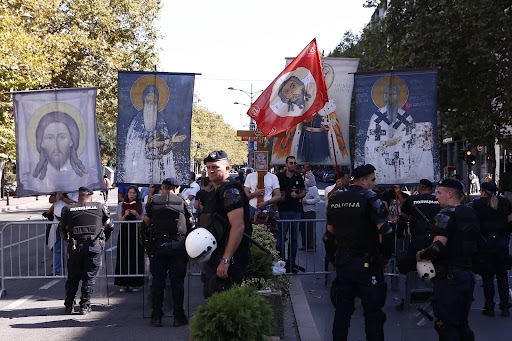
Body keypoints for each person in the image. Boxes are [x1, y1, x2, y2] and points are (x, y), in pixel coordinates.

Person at [324, 164, 392, 340]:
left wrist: (333, 258)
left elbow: (328, 236)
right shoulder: (371, 199)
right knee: (373, 315)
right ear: (362, 181)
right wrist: (386, 257)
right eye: (373, 179)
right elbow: (385, 231)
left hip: (344, 263)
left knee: (342, 312)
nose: (375, 183)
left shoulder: (336, 199)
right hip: (367, 264)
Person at [416, 179, 480, 340]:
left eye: (440, 193)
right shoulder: (470, 213)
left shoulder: (446, 214)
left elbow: (437, 247)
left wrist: (421, 255)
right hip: (466, 276)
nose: (436, 197)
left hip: (449, 279)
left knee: (447, 326)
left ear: (450, 194)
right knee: (462, 324)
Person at [198, 150, 252, 298]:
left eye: (215, 167)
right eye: (209, 167)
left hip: (228, 258)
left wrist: (226, 260)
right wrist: (206, 261)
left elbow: (238, 226)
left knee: (222, 302)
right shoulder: (217, 191)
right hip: (215, 257)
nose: (211, 170)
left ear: (227, 169)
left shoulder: (230, 190)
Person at [143, 177, 193, 327]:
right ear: (176, 189)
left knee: (158, 282)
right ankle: (178, 316)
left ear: (163, 188)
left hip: (158, 246)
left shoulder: (154, 202)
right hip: (178, 246)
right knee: (177, 282)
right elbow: (191, 223)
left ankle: (156, 317)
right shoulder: (183, 201)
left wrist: (146, 244)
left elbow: (145, 223)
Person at [59, 187, 113, 315]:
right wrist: (103, 240)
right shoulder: (99, 207)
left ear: (78, 197)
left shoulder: (69, 209)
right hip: (93, 246)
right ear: (91, 197)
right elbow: (110, 226)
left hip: (75, 247)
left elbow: (62, 227)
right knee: (89, 277)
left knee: (73, 277)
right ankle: (84, 305)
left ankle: (69, 305)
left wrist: (66, 239)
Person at [471, 182, 512, 317]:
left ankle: (489, 307)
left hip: (485, 244)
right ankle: (505, 307)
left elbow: (473, 222)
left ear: (482, 191)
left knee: (488, 277)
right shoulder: (505, 202)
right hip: (501, 243)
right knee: (502, 276)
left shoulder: (478, 204)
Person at [397, 179, 441, 274]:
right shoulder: (438, 200)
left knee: (413, 267)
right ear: (432, 190)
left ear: (418, 188)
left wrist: (400, 235)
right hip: (435, 239)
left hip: (417, 239)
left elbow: (402, 219)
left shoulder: (411, 200)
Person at [276, 156, 306, 272]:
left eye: (294, 163)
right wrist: (276, 211)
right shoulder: (279, 177)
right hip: (283, 211)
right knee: (282, 238)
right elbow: (275, 193)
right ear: (286, 164)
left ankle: (292, 263)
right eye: (291, 163)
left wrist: (298, 196)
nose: (293, 165)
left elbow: (303, 191)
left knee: (294, 239)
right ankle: (282, 263)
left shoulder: (298, 177)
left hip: (296, 211)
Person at [115, 185, 145, 292]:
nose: (131, 195)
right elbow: (119, 219)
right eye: (130, 193)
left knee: (135, 256)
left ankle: (136, 282)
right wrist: (125, 215)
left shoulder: (141, 205)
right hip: (125, 233)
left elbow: (144, 219)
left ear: (137, 194)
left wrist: (137, 215)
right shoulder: (121, 205)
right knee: (124, 256)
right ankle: (123, 283)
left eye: (134, 193)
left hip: (136, 233)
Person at [49, 191, 78, 275]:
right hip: (57, 221)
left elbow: (75, 203)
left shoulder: (73, 190)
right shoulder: (57, 190)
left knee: (71, 247)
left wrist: (64, 199)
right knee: (56, 247)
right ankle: (56, 271)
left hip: (68, 222)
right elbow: (51, 201)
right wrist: (54, 195)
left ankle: (72, 270)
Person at [300, 176, 320, 251]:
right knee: (303, 229)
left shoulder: (313, 188)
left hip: (310, 210)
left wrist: (307, 202)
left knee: (310, 229)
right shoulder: (302, 189)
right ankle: (305, 245)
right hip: (303, 210)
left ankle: (311, 246)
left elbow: (317, 199)